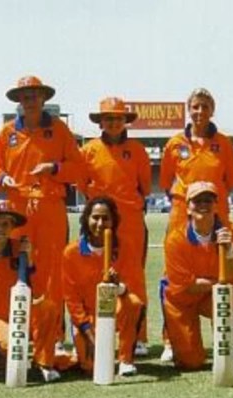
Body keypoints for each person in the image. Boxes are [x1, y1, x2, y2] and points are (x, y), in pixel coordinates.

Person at [0, 75, 84, 356]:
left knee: (52, 271)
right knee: (15, 269)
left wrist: (53, 169)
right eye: (25, 96)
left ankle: (53, 335)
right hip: (16, 208)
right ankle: (19, 332)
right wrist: (3, 178)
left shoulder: (58, 129)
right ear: (18, 100)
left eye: (34, 95)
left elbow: (77, 168)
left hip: (50, 206)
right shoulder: (7, 133)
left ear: (44, 98)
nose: (30, 100)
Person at [79, 97, 151, 357]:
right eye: (108, 118)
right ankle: (99, 333)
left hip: (130, 220)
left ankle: (138, 337)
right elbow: (81, 183)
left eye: (118, 118)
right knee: (97, 275)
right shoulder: (88, 150)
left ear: (125, 121)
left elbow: (144, 186)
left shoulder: (137, 149)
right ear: (100, 121)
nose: (113, 123)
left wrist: (128, 205)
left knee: (133, 278)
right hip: (100, 220)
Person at [0, 199, 62, 382]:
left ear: (12, 227)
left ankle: (42, 363)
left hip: (22, 313)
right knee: (13, 344)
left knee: (48, 307)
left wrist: (30, 262)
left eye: (5, 224)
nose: (0, 229)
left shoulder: (21, 250)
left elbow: (38, 291)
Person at [161, 181, 233, 370]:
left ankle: (229, 344)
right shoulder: (176, 238)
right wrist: (221, 281)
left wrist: (229, 251)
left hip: (212, 295)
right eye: (197, 201)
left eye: (208, 200)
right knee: (191, 362)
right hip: (181, 299)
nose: (203, 205)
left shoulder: (232, 232)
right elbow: (187, 285)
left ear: (216, 205)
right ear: (187, 208)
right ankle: (173, 344)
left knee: (227, 296)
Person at [62, 197, 144, 376]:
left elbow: (134, 288)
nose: (100, 224)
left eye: (105, 218)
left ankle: (125, 360)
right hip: (88, 317)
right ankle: (75, 354)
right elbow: (71, 299)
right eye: (95, 217)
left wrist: (118, 286)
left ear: (114, 221)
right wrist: (88, 333)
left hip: (116, 308)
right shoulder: (71, 253)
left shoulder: (125, 247)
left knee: (134, 303)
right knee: (90, 367)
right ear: (86, 219)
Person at [159, 88, 233, 231]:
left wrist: (209, 201)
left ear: (212, 111)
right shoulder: (174, 143)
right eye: (195, 107)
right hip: (182, 215)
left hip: (215, 214)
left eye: (205, 107)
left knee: (216, 253)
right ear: (189, 110)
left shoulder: (224, 143)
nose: (200, 111)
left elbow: (230, 183)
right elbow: (166, 184)